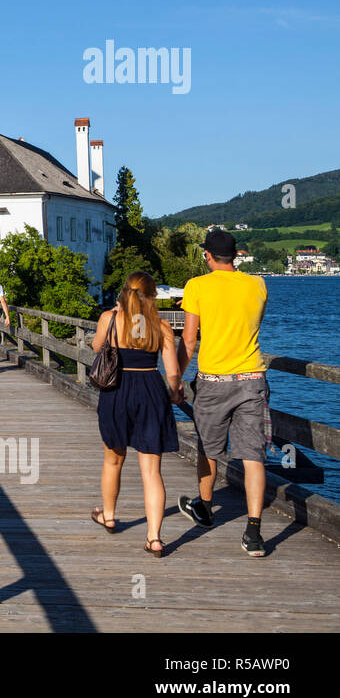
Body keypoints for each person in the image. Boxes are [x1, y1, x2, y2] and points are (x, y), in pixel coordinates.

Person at [176, 229, 270, 557]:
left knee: (209, 449)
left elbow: (188, 340)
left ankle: (204, 507)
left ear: (207, 256)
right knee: (253, 456)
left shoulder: (197, 286)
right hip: (252, 378)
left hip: (214, 380)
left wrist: (175, 379)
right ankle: (254, 533)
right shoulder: (257, 285)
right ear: (236, 256)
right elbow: (251, 323)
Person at [90, 272, 183, 558]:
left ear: (123, 293)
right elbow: (173, 371)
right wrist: (175, 392)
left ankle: (108, 515)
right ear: (153, 295)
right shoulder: (162, 325)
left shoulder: (110, 318)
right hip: (150, 389)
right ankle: (154, 538)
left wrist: (115, 318)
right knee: (152, 471)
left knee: (113, 459)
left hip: (117, 389)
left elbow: (96, 348)